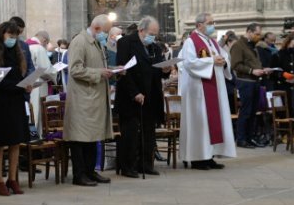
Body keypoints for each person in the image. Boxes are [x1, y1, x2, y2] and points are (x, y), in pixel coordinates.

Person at [179, 13, 236, 169]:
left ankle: (209, 156)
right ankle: (198, 158)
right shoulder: (191, 41)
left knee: (211, 122)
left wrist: (224, 61)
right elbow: (189, 63)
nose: (213, 25)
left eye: (213, 22)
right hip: (199, 90)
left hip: (215, 87)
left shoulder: (211, 42)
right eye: (210, 23)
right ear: (199, 25)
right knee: (200, 123)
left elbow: (223, 57)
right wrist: (212, 60)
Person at [0, 19, 32, 195]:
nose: (13, 39)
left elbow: (20, 73)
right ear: (2, 34)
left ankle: (12, 178)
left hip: (17, 100)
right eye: (11, 36)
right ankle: (0, 180)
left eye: (16, 36)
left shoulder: (17, 51)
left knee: (15, 141)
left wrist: (27, 85)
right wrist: (18, 85)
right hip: (0, 101)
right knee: (0, 142)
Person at [65, 15, 116, 186]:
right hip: (82, 98)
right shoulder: (80, 41)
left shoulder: (96, 42)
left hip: (94, 97)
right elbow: (75, 70)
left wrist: (114, 70)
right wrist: (99, 73)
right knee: (80, 138)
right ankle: (79, 175)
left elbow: (96, 66)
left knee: (93, 136)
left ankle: (90, 171)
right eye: (106, 32)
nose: (107, 36)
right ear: (96, 28)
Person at [114, 16, 166, 177]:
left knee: (148, 132)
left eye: (155, 35)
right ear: (141, 30)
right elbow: (124, 71)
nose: (153, 37)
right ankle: (127, 166)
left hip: (151, 96)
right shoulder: (126, 43)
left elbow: (157, 70)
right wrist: (135, 92)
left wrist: (166, 70)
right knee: (130, 133)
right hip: (130, 96)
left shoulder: (155, 48)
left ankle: (145, 164)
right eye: (151, 33)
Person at [229, 23, 268, 148]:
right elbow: (235, 65)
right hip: (245, 82)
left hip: (255, 81)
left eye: (259, 34)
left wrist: (262, 69)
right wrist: (252, 71)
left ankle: (250, 137)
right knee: (246, 111)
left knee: (253, 112)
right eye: (256, 34)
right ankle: (241, 139)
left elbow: (254, 63)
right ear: (249, 32)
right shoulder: (238, 46)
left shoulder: (252, 46)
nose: (258, 36)